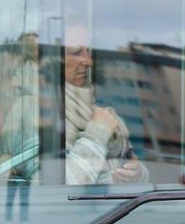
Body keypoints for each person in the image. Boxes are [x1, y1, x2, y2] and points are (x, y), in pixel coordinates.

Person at [62, 22, 147, 185]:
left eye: (88, 51)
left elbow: (130, 163)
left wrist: (137, 173)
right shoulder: (34, 111)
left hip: (118, 209)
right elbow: (61, 187)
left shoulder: (98, 111)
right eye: (75, 52)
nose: (88, 61)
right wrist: (97, 134)